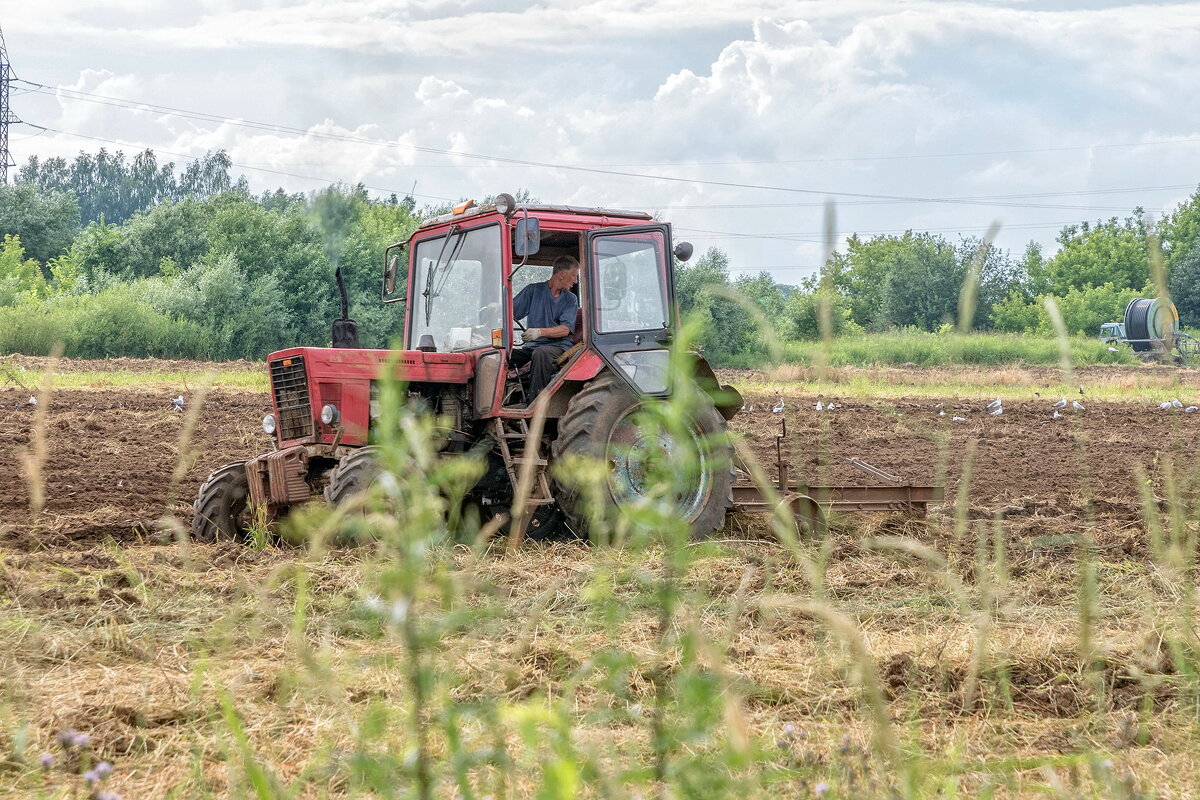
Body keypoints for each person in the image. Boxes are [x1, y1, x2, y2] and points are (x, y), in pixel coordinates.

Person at [510, 255, 580, 404]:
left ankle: (534, 404)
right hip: (532, 347)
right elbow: (511, 311)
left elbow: (565, 329)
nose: (575, 281)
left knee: (541, 353)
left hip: (558, 347)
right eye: (574, 276)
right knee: (504, 356)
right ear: (561, 275)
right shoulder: (533, 291)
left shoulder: (570, 299)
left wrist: (539, 332)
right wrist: (495, 308)